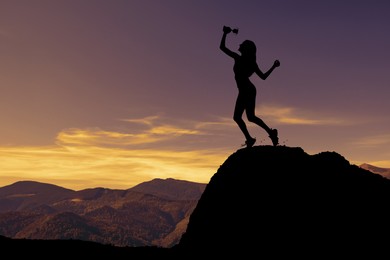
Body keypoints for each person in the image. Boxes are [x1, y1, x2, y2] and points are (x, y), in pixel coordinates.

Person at [219, 25, 280, 147]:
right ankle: (269, 133)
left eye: (242, 44)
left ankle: (252, 138)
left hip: (246, 90)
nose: (239, 45)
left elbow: (222, 47)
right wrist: (273, 66)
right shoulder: (249, 62)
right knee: (249, 117)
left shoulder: (239, 58)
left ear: (246, 49)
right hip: (247, 89)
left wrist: (225, 33)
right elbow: (263, 77)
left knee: (239, 117)